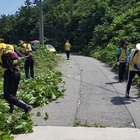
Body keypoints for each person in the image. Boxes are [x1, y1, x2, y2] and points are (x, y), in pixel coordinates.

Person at [0, 38, 33, 113]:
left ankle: (26, 107)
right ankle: (11, 112)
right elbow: (20, 55)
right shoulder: (10, 46)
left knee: (7, 95)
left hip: (8, 72)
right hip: (17, 72)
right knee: (12, 95)